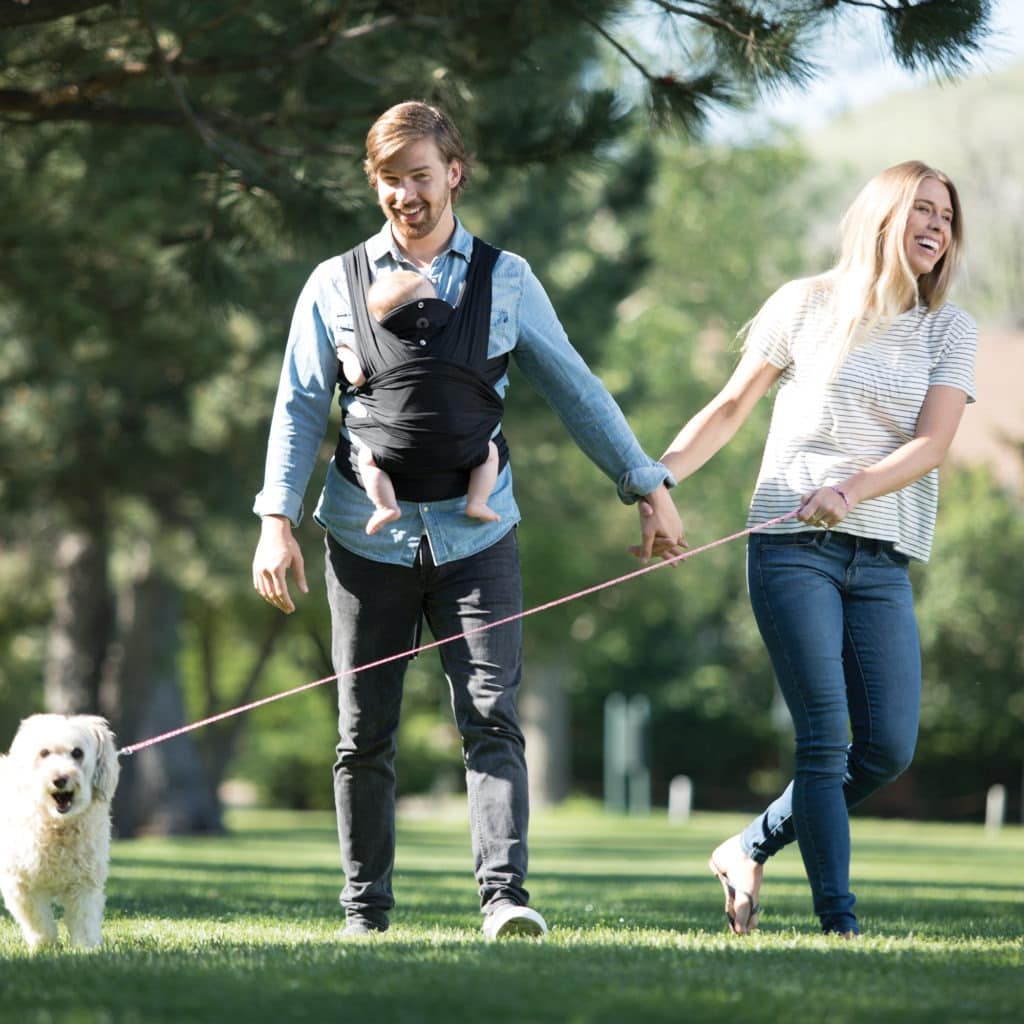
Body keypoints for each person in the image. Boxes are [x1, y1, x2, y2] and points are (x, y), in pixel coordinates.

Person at [252, 100, 684, 940]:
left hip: (477, 535)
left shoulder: (507, 277)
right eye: (390, 180)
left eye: (420, 175)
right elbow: (300, 409)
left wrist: (646, 482)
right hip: (362, 535)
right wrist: (277, 518)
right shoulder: (332, 283)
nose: (406, 195)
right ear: (373, 183)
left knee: (490, 713)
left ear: (455, 172)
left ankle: (504, 899)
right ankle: (364, 913)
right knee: (361, 730)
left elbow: (575, 388)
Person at [650, 160, 976, 937]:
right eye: (922, 210)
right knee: (825, 740)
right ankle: (841, 926)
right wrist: (654, 481)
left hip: (882, 553)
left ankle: (746, 846)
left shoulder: (947, 329)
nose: (937, 226)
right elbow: (731, 408)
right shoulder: (804, 305)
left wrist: (853, 489)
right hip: (792, 545)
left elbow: (932, 445)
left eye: (948, 217)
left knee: (888, 748)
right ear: (881, 219)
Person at [338, 269, 502, 535]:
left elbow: (356, 378)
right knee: (490, 453)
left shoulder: (375, 346)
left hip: (395, 448)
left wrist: (345, 352)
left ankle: (386, 506)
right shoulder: (453, 338)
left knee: (366, 459)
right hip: (459, 444)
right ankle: (477, 502)